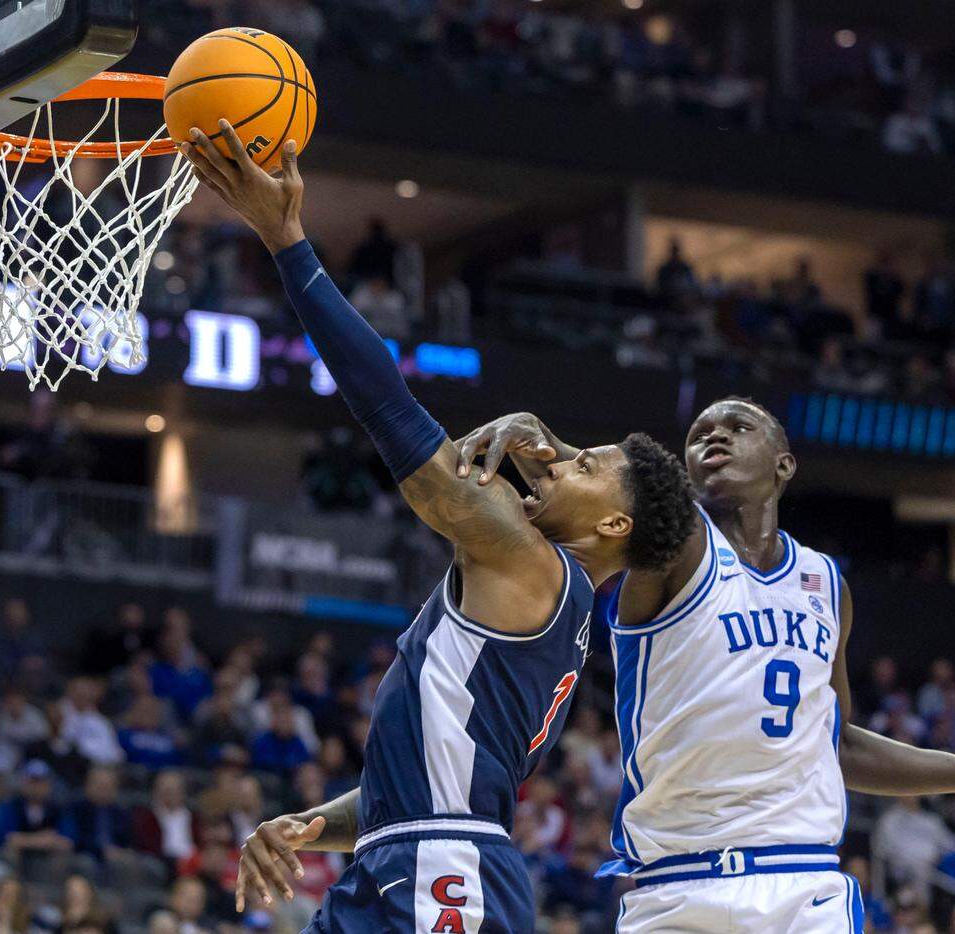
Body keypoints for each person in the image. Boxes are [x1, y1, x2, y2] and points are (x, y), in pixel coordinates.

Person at [180, 122, 695, 933]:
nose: (557, 460)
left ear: (614, 521)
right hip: (412, 855)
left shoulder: (531, 565)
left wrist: (289, 245)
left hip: (438, 876)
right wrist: (312, 827)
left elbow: (389, 409)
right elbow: (425, 783)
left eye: (584, 465)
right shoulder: (552, 606)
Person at [462, 400, 955, 932]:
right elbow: (618, 490)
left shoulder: (827, 584)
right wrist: (551, 446)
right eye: (700, 432)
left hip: (801, 885)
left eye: (738, 426)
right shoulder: (673, 551)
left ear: (784, 463)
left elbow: (835, 745)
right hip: (679, 887)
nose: (714, 435)